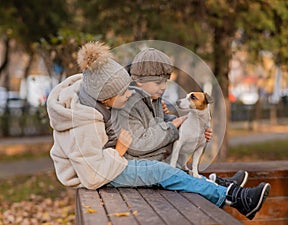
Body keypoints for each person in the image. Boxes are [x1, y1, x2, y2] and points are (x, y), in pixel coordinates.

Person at [47, 42, 270, 220]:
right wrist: (121, 150)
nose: (129, 95)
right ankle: (234, 198)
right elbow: (93, 175)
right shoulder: (84, 123)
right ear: (106, 98)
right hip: (100, 172)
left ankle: (223, 187)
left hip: (109, 160)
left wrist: (175, 125)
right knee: (160, 170)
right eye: (124, 92)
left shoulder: (98, 97)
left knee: (167, 163)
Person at [112, 48, 246, 186]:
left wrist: (195, 130)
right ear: (140, 81)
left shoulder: (153, 98)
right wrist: (172, 126)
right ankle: (227, 193)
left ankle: (220, 185)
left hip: (157, 161)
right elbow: (137, 144)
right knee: (183, 178)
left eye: (165, 82)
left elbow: (157, 124)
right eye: (158, 83)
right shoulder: (130, 104)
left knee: (185, 172)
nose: (163, 87)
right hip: (142, 167)